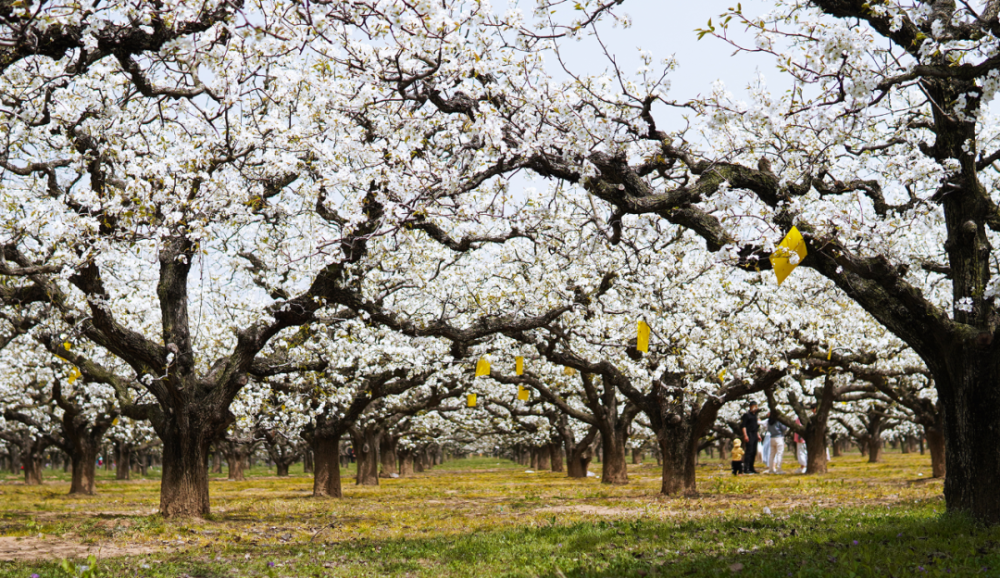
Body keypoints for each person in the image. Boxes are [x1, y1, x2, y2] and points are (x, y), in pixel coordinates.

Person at [741, 402, 762, 474]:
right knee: (749, 452)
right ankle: (746, 468)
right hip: (749, 434)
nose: (755, 408)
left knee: (753, 452)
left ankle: (751, 467)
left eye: (756, 406)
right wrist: (745, 435)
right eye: (754, 406)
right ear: (750, 407)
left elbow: (756, 427)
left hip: (754, 434)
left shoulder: (755, 415)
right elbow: (743, 426)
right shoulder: (747, 415)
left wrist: (758, 435)